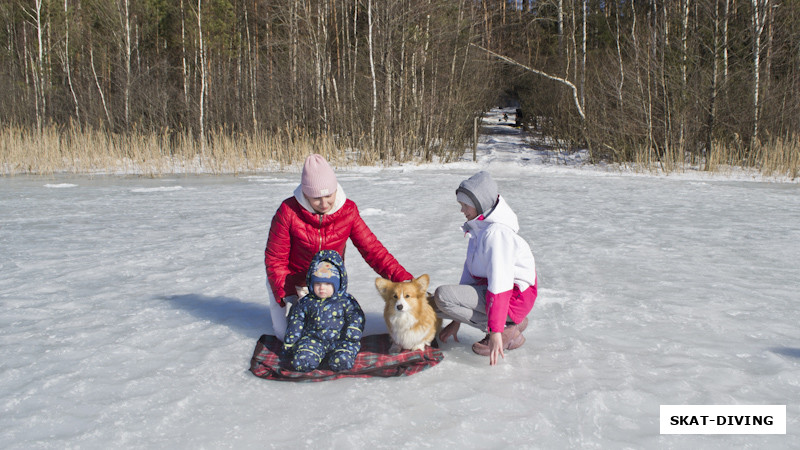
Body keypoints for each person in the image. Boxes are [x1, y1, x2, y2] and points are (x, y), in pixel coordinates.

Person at [265, 154, 412, 341]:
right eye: (316, 198)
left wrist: (404, 280)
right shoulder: (288, 211)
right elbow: (275, 259)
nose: (324, 203)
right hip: (290, 282)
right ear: (305, 193)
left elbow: (373, 250)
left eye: (329, 195)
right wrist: (289, 296)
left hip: (326, 282)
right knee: (286, 335)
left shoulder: (347, 210)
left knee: (329, 335)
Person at [434, 171, 537, 366]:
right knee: (435, 305)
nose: (462, 210)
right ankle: (511, 325)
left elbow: (501, 284)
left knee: (443, 296)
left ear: (480, 203)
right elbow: (469, 276)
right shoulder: (479, 229)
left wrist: (495, 331)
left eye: (465, 205)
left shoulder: (496, 233)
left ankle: (507, 328)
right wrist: (456, 321)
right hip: (492, 291)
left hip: (513, 297)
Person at [282, 250, 364, 372]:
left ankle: (341, 358)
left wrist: (353, 330)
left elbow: (356, 316)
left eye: (327, 283)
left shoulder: (346, 301)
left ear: (337, 284)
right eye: (318, 283)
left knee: (344, 356)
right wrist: (291, 340)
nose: (322, 288)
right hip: (313, 339)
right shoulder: (306, 302)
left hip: (340, 339)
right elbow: (297, 321)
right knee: (302, 359)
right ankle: (307, 358)